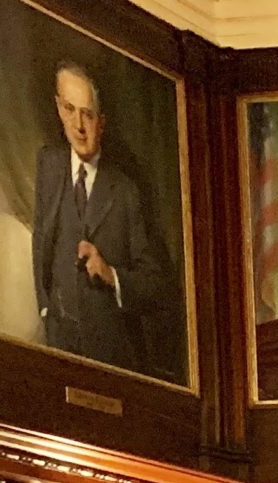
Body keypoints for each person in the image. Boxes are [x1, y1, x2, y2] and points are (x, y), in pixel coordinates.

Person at [30, 61, 175, 377]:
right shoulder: (48, 165)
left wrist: (111, 275)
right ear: (58, 108)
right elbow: (41, 240)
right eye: (70, 109)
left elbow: (157, 285)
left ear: (102, 123)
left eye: (88, 114)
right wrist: (45, 309)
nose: (78, 125)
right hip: (59, 348)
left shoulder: (126, 191)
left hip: (111, 356)